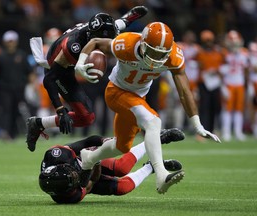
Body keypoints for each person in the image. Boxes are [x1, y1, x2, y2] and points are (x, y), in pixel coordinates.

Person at [74, 21, 221, 194]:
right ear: (143, 44)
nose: (156, 58)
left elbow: (184, 91)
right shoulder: (126, 44)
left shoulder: (174, 55)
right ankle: (161, 174)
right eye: (152, 52)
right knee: (153, 122)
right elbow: (96, 42)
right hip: (117, 91)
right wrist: (80, 62)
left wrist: (197, 124)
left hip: (137, 98)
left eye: (161, 54)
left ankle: (89, 158)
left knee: (121, 147)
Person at [27, 6, 148, 152]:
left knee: (87, 118)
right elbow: (49, 79)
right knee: (85, 117)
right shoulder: (74, 46)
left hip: (74, 63)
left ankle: (39, 123)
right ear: (92, 36)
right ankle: (39, 123)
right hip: (60, 68)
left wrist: (133, 14)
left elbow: (123, 21)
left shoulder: (104, 30)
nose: (105, 44)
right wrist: (60, 110)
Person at [39, 128, 185, 204]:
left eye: (71, 173)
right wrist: (94, 164)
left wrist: (103, 141)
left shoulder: (58, 154)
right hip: (90, 173)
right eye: (73, 179)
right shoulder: (70, 196)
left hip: (83, 157)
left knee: (121, 167)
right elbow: (90, 183)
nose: (75, 174)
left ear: (62, 165)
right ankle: (151, 167)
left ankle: (158, 138)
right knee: (122, 188)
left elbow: (88, 141)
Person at [0, 30, 35, 140]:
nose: (10, 43)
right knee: (5, 110)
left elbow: (30, 72)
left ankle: (12, 133)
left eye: (12, 41)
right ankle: (5, 132)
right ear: (5, 42)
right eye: (8, 41)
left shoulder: (22, 55)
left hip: (19, 88)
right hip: (4, 89)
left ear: (16, 42)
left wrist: (33, 87)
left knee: (16, 111)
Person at [219, 30, 249, 141]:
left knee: (239, 109)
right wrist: (222, 86)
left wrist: (247, 85)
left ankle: (238, 131)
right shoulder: (224, 53)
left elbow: (246, 70)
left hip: (239, 83)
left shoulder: (244, 53)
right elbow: (220, 71)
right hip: (228, 84)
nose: (234, 45)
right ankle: (226, 131)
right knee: (227, 109)